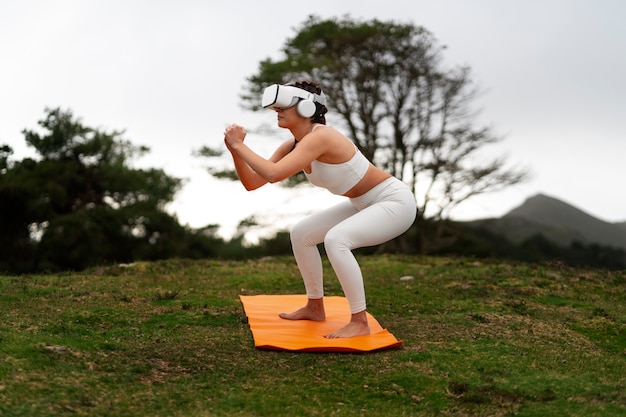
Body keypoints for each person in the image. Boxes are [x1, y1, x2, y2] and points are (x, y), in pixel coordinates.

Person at [224, 80, 417, 338]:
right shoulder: (292, 144)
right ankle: (315, 307)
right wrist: (235, 151)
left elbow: (273, 174)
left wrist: (240, 145)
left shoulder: (322, 136)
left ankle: (359, 322)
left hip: (394, 202)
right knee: (302, 233)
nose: (277, 111)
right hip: (362, 203)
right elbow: (253, 182)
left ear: (306, 108)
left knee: (337, 239)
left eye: (284, 105)